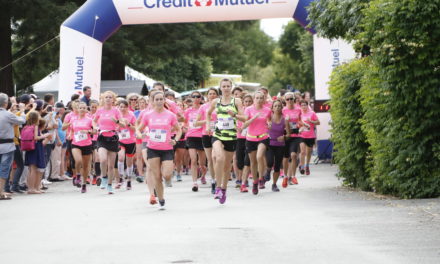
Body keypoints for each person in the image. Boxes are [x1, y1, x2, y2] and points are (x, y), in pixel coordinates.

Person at [137, 91, 182, 210]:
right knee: (156, 176)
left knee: (167, 174)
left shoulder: (170, 115)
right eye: (156, 99)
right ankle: (161, 199)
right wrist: (139, 134)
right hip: (152, 149)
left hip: (167, 148)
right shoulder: (148, 115)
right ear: (152, 101)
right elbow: (139, 128)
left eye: (161, 99)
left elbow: (179, 130)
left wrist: (175, 140)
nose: (159, 101)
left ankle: (167, 180)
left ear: (164, 100)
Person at [206, 79, 245, 204]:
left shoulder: (236, 101)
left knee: (227, 165)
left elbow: (244, 118)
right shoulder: (216, 101)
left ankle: (224, 189)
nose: (226, 88)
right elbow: (208, 114)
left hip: (231, 136)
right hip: (218, 134)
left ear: (231, 87)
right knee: (219, 158)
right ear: (220, 88)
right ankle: (217, 188)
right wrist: (208, 126)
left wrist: (234, 115)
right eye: (224, 86)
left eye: (228, 86)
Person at [93, 91, 125, 194]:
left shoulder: (116, 111)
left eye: (110, 97)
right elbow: (94, 121)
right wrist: (95, 127)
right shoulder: (99, 111)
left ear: (113, 99)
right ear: (103, 99)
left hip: (113, 139)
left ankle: (110, 185)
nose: (108, 99)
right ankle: (104, 177)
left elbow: (123, 124)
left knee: (111, 165)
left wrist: (116, 122)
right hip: (102, 138)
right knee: (102, 160)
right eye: (106, 97)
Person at [243, 91, 272, 195]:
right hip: (250, 138)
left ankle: (261, 178)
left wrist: (269, 124)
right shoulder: (248, 109)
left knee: (260, 156)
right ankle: (255, 182)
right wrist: (254, 117)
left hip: (263, 137)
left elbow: (269, 121)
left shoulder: (267, 110)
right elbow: (245, 124)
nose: (259, 100)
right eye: (257, 98)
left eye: (261, 98)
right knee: (253, 162)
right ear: (254, 99)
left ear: (264, 99)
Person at [0, 94, 26, 199]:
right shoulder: (7, 114)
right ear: (6, 103)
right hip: (7, 146)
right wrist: (23, 111)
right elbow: (22, 121)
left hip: (5, 144)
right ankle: (0, 192)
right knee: (4, 169)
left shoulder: (8, 114)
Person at [195, 88, 218, 194]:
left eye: (214, 94)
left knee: (217, 157)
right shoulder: (203, 107)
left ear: (217, 95)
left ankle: (218, 179)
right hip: (206, 134)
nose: (212, 95)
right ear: (207, 95)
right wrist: (208, 120)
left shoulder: (221, 105)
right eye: (210, 94)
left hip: (218, 135)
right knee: (210, 159)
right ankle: (213, 180)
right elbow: (196, 123)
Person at [68, 102, 94, 193]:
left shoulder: (90, 119)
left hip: (87, 144)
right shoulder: (73, 119)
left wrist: (88, 132)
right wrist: (70, 134)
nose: (82, 109)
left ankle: (84, 184)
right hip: (76, 143)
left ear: (86, 109)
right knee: (78, 160)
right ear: (77, 109)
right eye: (80, 108)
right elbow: (71, 129)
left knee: (86, 166)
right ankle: (78, 175)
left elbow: (95, 131)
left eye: (84, 108)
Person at [184, 91, 206, 192]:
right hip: (191, 136)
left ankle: (203, 174)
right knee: (193, 160)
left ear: (201, 99)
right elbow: (185, 122)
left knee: (201, 163)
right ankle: (194, 183)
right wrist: (185, 127)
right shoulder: (188, 111)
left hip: (202, 136)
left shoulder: (204, 109)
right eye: (194, 96)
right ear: (191, 98)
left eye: (198, 96)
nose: (196, 98)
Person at [266, 100, 290, 192]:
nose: (277, 108)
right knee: (270, 162)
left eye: (279, 106)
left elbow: (289, 134)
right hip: (270, 143)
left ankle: (274, 184)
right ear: (272, 108)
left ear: (282, 108)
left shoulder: (285, 120)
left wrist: (284, 137)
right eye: (275, 106)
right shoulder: (269, 118)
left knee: (277, 166)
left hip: (280, 145)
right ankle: (267, 171)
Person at [24, 112, 52, 194]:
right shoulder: (35, 126)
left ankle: (32, 188)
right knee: (34, 169)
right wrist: (46, 135)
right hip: (36, 149)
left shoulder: (27, 126)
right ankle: (32, 189)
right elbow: (36, 138)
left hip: (30, 148)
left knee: (31, 169)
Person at [116, 99, 137, 190]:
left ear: (127, 107)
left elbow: (135, 128)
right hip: (120, 140)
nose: (122, 108)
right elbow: (114, 127)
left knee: (129, 162)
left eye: (124, 107)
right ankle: (120, 177)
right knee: (120, 157)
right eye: (121, 107)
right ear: (118, 107)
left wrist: (128, 124)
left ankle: (129, 179)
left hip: (131, 141)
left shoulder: (131, 115)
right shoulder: (116, 115)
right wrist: (118, 126)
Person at [236, 94, 253, 193]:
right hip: (240, 138)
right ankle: (241, 178)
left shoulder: (252, 111)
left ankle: (244, 180)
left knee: (247, 160)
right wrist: (236, 129)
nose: (247, 103)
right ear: (243, 103)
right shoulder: (240, 112)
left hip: (250, 138)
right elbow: (234, 122)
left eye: (249, 101)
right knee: (240, 160)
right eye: (246, 101)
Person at [299, 100, 320, 175]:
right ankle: (301, 166)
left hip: (310, 135)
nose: (303, 107)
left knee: (308, 153)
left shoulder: (312, 113)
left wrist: (311, 121)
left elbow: (318, 122)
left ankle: (307, 166)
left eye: (305, 105)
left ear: (307, 105)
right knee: (302, 152)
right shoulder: (299, 114)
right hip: (301, 135)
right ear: (300, 106)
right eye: (302, 105)